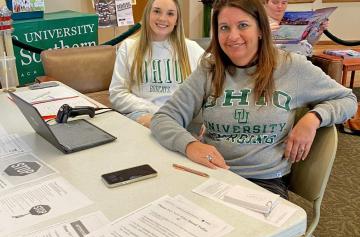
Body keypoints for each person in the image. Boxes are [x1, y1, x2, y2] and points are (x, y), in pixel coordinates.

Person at [151, 0, 357, 199]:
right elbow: (163, 118)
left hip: (265, 181)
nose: (232, 36)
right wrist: (190, 145)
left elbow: (347, 99)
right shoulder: (209, 69)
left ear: (260, 29)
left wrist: (314, 118)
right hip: (212, 173)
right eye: (224, 27)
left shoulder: (292, 67)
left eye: (243, 25)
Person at [109, 0, 204, 128]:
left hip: (184, 117)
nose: (163, 18)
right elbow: (117, 94)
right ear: (148, 14)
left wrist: (211, 116)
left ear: (177, 20)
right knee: (160, 128)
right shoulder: (128, 47)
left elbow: (217, 84)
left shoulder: (192, 49)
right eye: (157, 11)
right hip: (144, 115)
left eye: (170, 14)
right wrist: (155, 110)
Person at [263, 0, 329, 56]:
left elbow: (310, 42)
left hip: (302, 58)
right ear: (265, 3)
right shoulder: (258, 23)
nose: (280, 6)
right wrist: (264, 33)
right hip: (278, 61)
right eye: (275, 2)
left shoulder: (291, 20)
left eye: (284, 3)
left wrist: (318, 32)